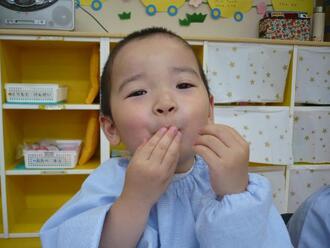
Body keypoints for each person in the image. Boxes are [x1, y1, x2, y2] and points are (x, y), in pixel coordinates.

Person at [40, 27, 292, 248]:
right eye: (138, 91)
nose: (165, 103)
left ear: (210, 111)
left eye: (183, 85)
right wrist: (134, 200)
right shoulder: (108, 182)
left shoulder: (237, 182)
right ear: (111, 127)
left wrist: (234, 196)